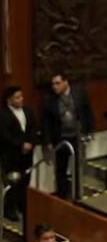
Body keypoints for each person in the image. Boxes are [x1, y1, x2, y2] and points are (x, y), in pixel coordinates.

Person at [40, 73, 93, 201]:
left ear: (66, 82)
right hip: (61, 138)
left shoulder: (78, 93)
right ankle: (62, 195)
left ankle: (77, 194)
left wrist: (89, 130)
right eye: (53, 84)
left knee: (78, 166)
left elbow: (87, 112)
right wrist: (48, 142)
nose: (54, 87)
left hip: (77, 136)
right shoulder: (49, 100)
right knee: (60, 169)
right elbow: (46, 123)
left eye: (57, 83)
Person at [0, 86, 37, 228]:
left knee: (25, 180)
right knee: (12, 182)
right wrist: (21, 144)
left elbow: (33, 128)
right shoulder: (3, 114)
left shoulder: (28, 110)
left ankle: (23, 205)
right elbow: (4, 135)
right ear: (9, 99)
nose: (21, 99)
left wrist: (30, 143)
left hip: (27, 154)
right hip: (11, 154)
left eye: (21, 96)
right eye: (17, 97)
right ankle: (10, 209)